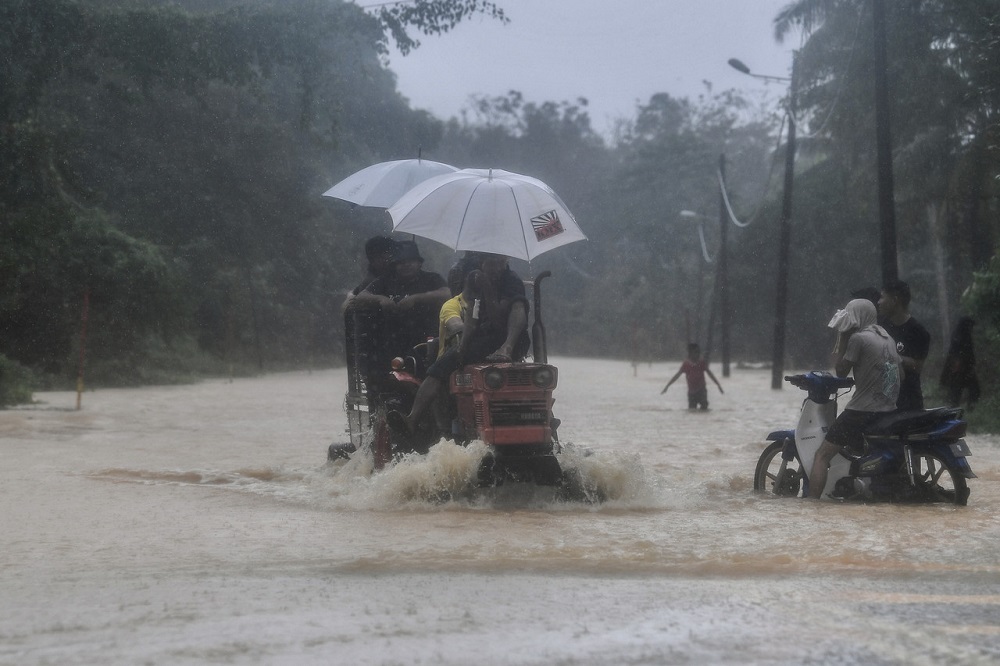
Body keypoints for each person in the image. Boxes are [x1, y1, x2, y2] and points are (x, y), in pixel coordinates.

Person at [387, 253, 529, 435]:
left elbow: (499, 320)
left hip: (511, 339)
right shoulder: (473, 279)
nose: (497, 268)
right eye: (492, 263)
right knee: (437, 370)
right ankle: (412, 419)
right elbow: (471, 317)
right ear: (482, 262)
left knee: (513, 317)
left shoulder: (512, 280)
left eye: (501, 263)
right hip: (484, 338)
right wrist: (463, 346)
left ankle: (507, 351)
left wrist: (489, 291)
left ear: (506, 262)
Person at [808, 299, 902, 499]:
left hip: (861, 412)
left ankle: (811, 505)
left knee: (822, 455)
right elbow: (899, 373)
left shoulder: (858, 339)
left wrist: (842, 336)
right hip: (888, 411)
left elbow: (841, 371)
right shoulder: (887, 338)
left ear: (857, 317)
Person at [351, 240, 450, 385]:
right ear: (395, 265)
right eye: (401, 262)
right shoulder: (385, 281)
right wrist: (380, 299)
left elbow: (446, 294)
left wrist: (417, 299)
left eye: (411, 261)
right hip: (392, 343)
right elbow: (361, 297)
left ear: (419, 263)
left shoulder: (432, 279)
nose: (406, 265)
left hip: (427, 342)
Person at [878, 280, 931, 411]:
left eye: (882, 297)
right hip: (882, 401)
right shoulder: (880, 326)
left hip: (908, 401)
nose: (879, 302)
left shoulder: (918, 331)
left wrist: (894, 356)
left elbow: (917, 366)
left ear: (895, 300)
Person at [660, 343, 723, 410]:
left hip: (701, 390)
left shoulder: (701, 363)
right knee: (692, 410)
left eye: (698, 352)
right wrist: (667, 386)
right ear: (690, 353)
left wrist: (718, 385)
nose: (697, 354)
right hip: (691, 392)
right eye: (695, 352)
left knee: (704, 408)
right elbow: (677, 375)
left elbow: (710, 374)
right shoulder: (686, 364)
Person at [342, 235, 397, 311]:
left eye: (389, 256)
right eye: (380, 257)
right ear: (372, 260)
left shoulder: (397, 275)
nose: (385, 261)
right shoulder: (371, 281)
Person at [940, 316, 980, 410]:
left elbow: (969, 352)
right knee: (956, 389)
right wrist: (956, 364)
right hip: (959, 367)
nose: (971, 328)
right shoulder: (959, 335)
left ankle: (968, 405)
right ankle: (954, 407)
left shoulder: (964, 334)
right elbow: (956, 352)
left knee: (972, 388)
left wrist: (971, 364)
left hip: (965, 366)